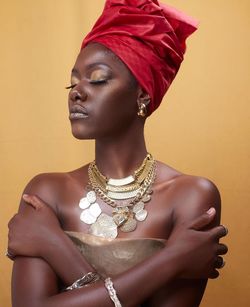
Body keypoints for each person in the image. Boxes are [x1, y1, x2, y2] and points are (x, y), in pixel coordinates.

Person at [7, 1, 228, 306]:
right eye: (72, 83)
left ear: (142, 95)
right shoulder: (45, 192)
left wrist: (57, 248)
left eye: (97, 79)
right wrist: (172, 261)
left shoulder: (191, 196)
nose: (76, 92)